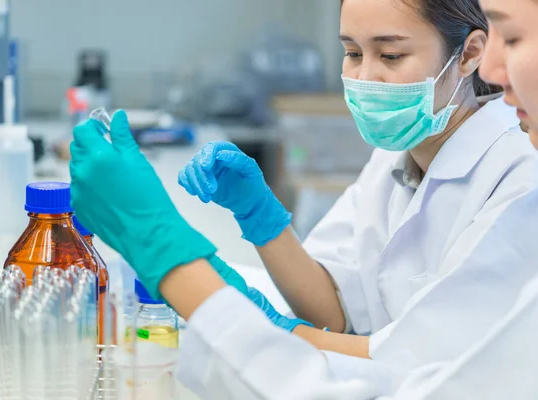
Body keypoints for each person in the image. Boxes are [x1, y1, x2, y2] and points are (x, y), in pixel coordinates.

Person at [68, 0, 538, 398]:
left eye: (391, 56)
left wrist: (269, 326)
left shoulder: (519, 178)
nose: (366, 77)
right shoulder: (398, 153)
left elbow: (401, 366)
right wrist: (262, 219)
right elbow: (335, 309)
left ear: (469, 54)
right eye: (352, 53)